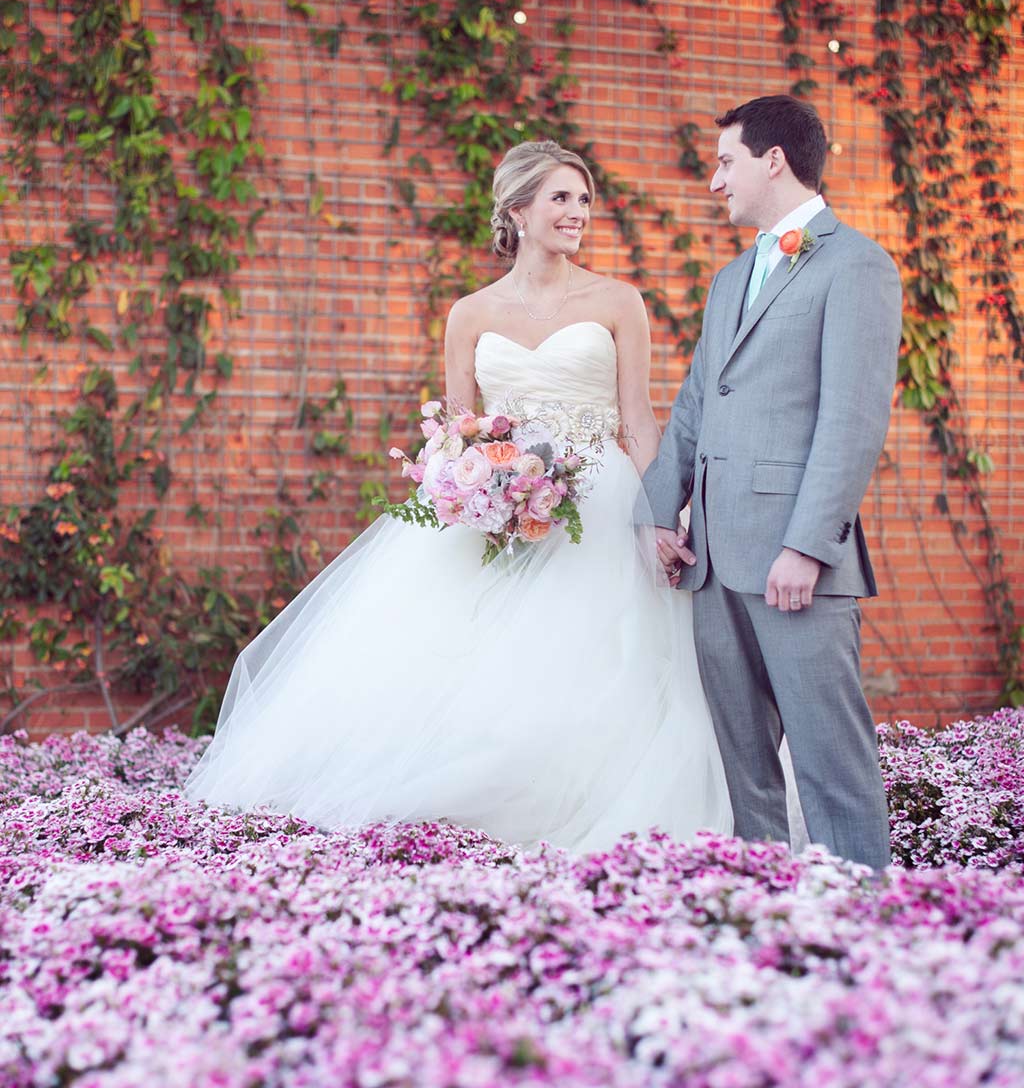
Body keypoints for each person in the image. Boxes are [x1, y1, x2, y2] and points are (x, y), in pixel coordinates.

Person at [184, 140, 732, 851]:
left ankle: (578, 800)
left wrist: (659, 513)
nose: (578, 213)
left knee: (597, 652)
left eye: (585, 199)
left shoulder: (617, 300)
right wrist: (467, 488)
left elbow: (637, 418)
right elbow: (458, 429)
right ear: (518, 210)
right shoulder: (470, 314)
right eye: (561, 198)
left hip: (601, 500)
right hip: (497, 504)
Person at [643, 96, 901, 868]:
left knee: (832, 763)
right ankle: (765, 916)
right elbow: (696, 403)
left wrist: (808, 547)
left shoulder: (859, 266)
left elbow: (851, 420)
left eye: (726, 162)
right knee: (745, 772)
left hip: (797, 566)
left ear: (774, 160)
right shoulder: (729, 280)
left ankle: (862, 922)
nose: (715, 182)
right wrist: (662, 509)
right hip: (714, 559)